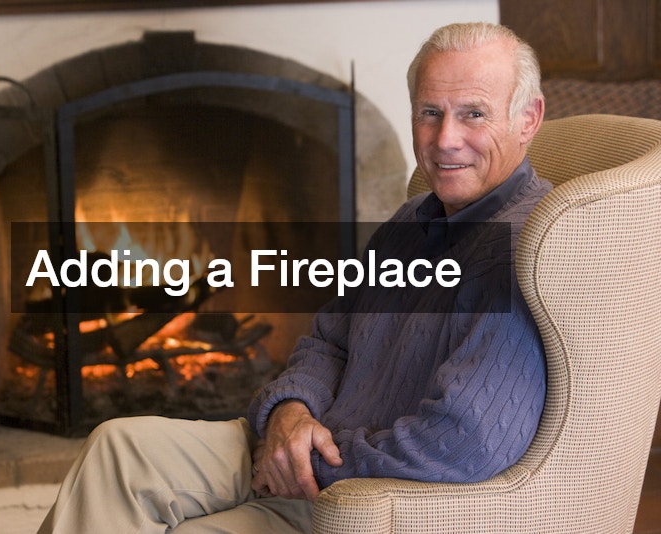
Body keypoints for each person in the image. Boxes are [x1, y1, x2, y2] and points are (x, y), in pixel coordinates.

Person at [38, 21, 551, 534]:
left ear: (527, 119)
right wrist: (289, 412)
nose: (445, 140)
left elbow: (462, 443)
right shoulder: (409, 222)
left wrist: (306, 460)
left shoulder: (534, 248)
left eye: (473, 114)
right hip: (305, 446)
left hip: (358, 489)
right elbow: (329, 340)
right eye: (430, 113)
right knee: (117, 448)